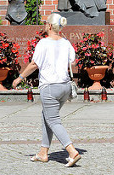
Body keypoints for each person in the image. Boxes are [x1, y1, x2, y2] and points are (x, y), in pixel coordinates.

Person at [12, 13, 81, 167]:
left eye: (45, 23)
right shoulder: (66, 43)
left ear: (50, 26)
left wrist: (19, 78)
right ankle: (43, 152)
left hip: (49, 87)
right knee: (47, 117)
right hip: (64, 87)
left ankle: (72, 151)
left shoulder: (43, 43)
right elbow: (73, 62)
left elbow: (34, 64)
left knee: (53, 120)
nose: (44, 25)